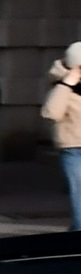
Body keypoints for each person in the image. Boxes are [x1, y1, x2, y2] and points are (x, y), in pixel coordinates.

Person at [45, 42, 81, 230]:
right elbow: (51, 113)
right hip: (74, 150)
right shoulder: (61, 86)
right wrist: (67, 83)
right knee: (79, 199)